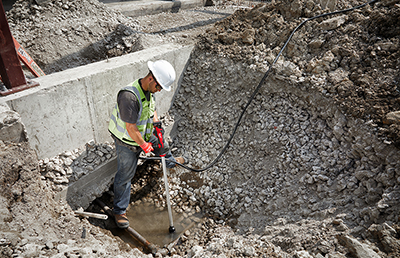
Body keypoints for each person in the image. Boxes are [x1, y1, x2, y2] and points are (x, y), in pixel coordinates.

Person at [108, 60, 186, 229]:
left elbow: (152, 107)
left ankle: (170, 162)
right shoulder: (129, 97)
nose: (159, 91)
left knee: (162, 145)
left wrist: (156, 123)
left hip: (145, 131)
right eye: (159, 87)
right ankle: (119, 211)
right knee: (126, 175)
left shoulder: (149, 90)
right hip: (127, 140)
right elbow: (130, 128)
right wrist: (143, 145)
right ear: (151, 79)